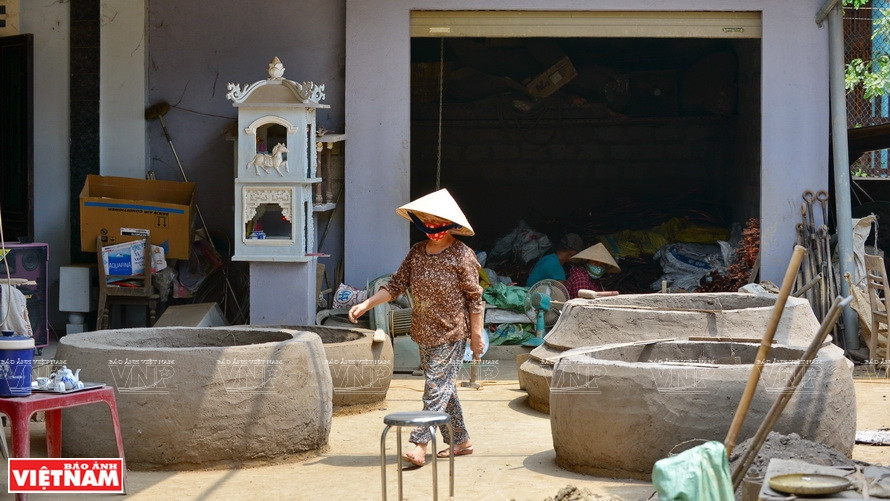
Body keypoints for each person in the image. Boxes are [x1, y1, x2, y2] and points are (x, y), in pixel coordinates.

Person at [348, 188, 484, 467]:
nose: (432, 230)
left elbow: (475, 299)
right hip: (424, 331)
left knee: (435, 387)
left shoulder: (462, 254)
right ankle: (461, 441)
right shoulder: (417, 252)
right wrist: (367, 304)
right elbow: (396, 286)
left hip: (452, 332)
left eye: (437, 224)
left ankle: (419, 444)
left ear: (450, 226)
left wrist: (475, 335)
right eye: (426, 223)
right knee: (444, 389)